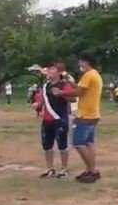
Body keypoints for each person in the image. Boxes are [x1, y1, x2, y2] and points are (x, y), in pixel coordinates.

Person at [55, 53, 103, 184]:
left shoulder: (88, 75)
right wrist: (70, 83)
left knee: (78, 143)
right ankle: (90, 170)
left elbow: (78, 93)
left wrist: (61, 93)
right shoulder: (95, 74)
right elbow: (81, 88)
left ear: (86, 62)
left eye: (80, 62)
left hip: (84, 115)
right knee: (89, 143)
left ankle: (92, 170)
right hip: (93, 114)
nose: (79, 65)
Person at [34, 63, 72, 179]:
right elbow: (44, 100)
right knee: (47, 146)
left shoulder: (64, 85)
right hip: (47, 120)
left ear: (59, 72)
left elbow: (73, 98)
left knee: (62, 145)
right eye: (49, 69)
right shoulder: (46, 86)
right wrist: (38, 105)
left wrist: (61, 93)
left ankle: (64, 169)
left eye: (52, 69)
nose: (49, 71)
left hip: (60, 119)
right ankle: (50, 169)